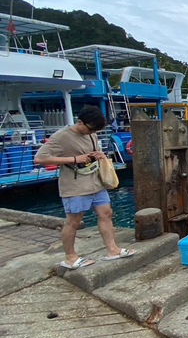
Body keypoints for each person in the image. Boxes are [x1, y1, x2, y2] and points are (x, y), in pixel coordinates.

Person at [33, 105, 135, 270]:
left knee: (106, 213)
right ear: (80, 122)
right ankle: (70, 257)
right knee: (73, 221)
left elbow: (93, 149)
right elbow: (39, 158)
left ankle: (112, 249)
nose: (91, 133)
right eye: (89, 129)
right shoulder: (62, 136)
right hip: (75, 185)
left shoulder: (92, 133)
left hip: (95, 181)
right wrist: (74, 159)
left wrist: (99, 154)